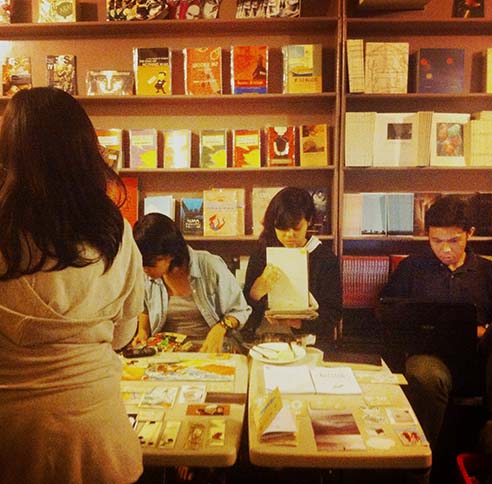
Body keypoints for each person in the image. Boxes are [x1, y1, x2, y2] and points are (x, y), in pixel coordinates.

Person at [0, 87, 144, 484]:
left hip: (13, 439)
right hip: (100, 436)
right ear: (84, 151)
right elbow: (123, 334)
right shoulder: (115, 231)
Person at [380, 195, 492, 452]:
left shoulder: (489, 272)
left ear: (470, 233)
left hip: (480, 358)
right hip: (430, 356)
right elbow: (387, 313)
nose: (445, 249)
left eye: (454, 241)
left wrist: (482, 331)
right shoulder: (412, 268)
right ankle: (420, 456)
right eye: (437, 241)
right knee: (425, 375)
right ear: (428, 236)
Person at [132, 212, 251, 353]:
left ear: (170, 254)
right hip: (167, 354)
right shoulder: (146, 275)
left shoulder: (210, 266)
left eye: (150, 264)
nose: (145, 269)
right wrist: (143, 332)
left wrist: (220, 328)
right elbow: (145, 308)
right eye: (141, 263)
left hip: (212, 351)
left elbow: (240, 310)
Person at [243, 187, 342, 345]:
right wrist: (254, 294)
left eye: (296, 227)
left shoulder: (324, 258)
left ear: (309, 220)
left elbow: (333, 315)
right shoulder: (261, 255)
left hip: (310, 344)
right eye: (282, 228)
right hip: (264, 342)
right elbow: (243, 314)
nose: (289, 235)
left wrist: (297, 322)